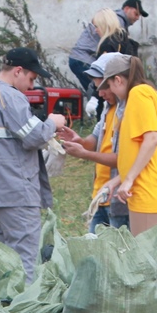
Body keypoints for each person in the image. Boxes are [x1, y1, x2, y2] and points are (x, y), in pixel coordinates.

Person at [0, 47, 66, 281]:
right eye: (32, 78)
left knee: (3, 262)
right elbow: (34, 136)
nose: (32, 86)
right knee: (25, 261)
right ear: (18, 71)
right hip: (16, 193)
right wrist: (53, 122)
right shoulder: (11, 97)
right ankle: (25, 311)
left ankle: (4, 309)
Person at [98, 55, 157, 236]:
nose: (110, 92)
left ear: (117, 80)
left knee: (146, 259)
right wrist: (116, 181)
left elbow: (152, 139)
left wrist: (129, 179)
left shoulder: (138, 94)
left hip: (146, 189)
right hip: (143, 189)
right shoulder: (142, 94)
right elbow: (137, 150)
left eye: (109, 86)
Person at [57, 52, 129, 233]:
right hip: (100, 196)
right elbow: (95, 139)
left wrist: (85, 154)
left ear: (116, 81)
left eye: (104, 87)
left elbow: (124, 160)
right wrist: (79, 141)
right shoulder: (107, 108)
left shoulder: (129, 111)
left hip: (119, 199)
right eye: (97, 88)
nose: (100, 93)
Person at [68, 0, 147, 96]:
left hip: (80, 58)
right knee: (100, 91)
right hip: (84, 59)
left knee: (99, 93)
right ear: (126, 9)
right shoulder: (117, 25)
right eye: (136, 13)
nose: (138, 18)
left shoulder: (114, 27)